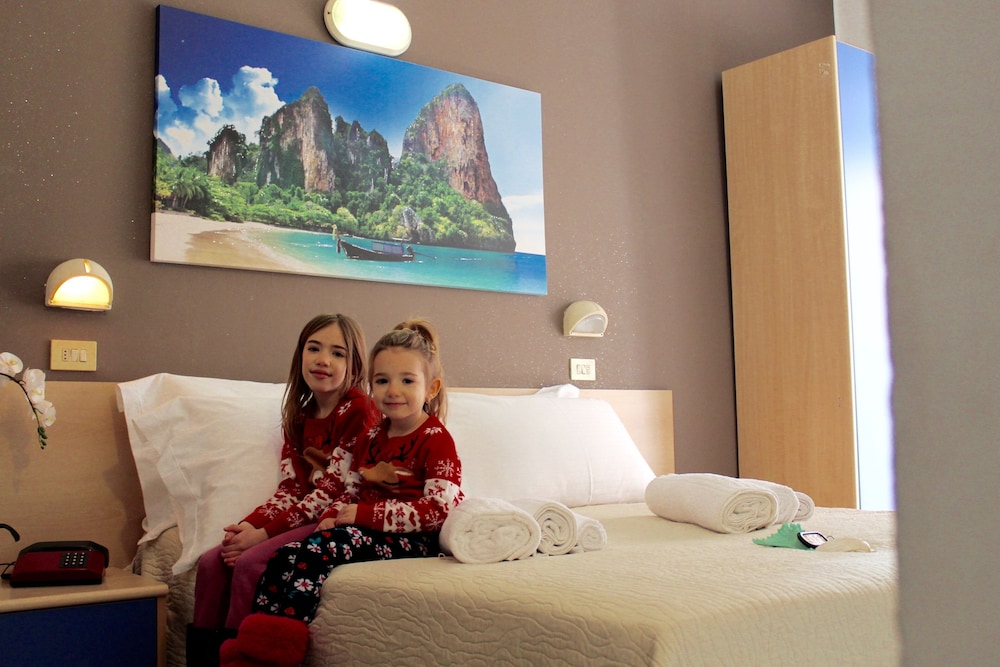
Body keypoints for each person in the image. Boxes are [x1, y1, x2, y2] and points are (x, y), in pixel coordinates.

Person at [219, 319, 464, 667]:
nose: (393, 391)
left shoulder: (436, 440)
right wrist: (332, 515)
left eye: (407, 381)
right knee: (284, 557)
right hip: (367, 531)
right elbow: (350, 490)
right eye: (382, 381)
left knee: (318, 552)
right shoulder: (371, 437)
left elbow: (439, 510)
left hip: (414, 539)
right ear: (371, 385)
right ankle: (255, 650)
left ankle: (280, 651)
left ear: (432, 388)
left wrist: (361, 516)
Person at [187, 314, 379, 667]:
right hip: (307, 512)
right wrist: (248, 526)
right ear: (300, 354)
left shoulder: (359, 410)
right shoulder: (299, 415)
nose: (323, 360)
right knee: (212, 563)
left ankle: (240, 661)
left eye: (337, 353)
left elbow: (332, 490)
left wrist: (262, 536)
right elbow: (291, 488)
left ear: (354, 365)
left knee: (250, 563)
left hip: (336, 515)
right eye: (314, 348)